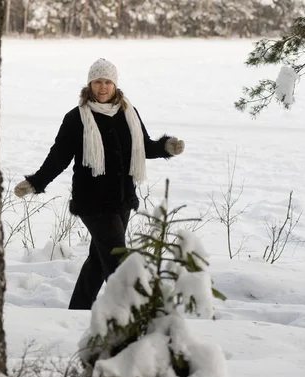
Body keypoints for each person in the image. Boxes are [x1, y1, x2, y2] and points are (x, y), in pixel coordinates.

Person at [13, 58, 185, 310]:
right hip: (92, 203)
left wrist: (165, 146)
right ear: (89, 84)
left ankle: (78, 310)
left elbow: (143, 146)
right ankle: (127, 313)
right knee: (117, 257)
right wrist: (36, 182)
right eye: (97, 82)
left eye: (107, 82)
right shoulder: (76, 118)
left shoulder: (129, 114)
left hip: (122, 199)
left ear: (115, 85)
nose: (102, 87)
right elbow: (59, 156)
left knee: (98, 259)